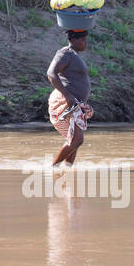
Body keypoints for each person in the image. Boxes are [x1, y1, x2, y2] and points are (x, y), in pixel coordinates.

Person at [47, 29, 94, 166]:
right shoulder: (65, 53)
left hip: (75, 102)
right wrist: (67, 95)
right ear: (73, 40)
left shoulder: (74, 55)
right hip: (66, 101)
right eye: (82, 40)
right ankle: (53, 168)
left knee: (75, 141)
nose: (85, 43)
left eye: (85, 39)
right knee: (77, 140)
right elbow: (51, 73)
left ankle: (67, 170)